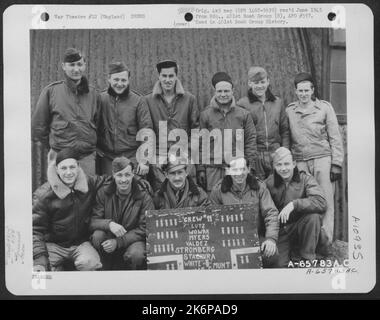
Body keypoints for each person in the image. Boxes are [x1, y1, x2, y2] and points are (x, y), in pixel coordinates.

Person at [286, 72, 344, 254]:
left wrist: (336, 164)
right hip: (301, 162)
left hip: (322, 160)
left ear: (312, 90)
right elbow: (287, 136)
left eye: (306, 90)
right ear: (295, 92)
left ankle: (325, 243)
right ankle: (308, 241)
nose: (303, 94)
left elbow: (335, 137)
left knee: (325, 200)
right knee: (306, 201)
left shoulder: (324, 108)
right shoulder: (290, 110)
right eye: (300, 90)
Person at [33, 148, 105, 271]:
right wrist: (39, 258)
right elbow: (34, 230)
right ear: (56, 169)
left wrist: (138, 183)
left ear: (78, 167)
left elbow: (111, 181)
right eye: (63, 168)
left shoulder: (89, 183)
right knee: (43, 271)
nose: (68, 172)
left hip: (80, 243)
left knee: (91, 263)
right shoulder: (44, 194)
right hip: (53, 245)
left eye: (72, 167)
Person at [31, 47, 100, 175]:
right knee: (61, 194)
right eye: (71, 65)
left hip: (87, 158)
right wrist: (55, 145)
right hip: (60, 157)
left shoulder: (93, 94)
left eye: (79, 64)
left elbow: (99, 124)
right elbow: (38, 127)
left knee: (87, 192)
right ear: (64, 66)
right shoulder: (51, 92)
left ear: (84, 65)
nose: (76, 69)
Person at [209, 157, 279, 268]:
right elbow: (212, 220)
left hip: (254, 237)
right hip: (228, 240)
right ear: (228, 171)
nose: (239, 173)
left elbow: (271, 212)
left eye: (242, 169)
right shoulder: (218, 190)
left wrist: (271, 239)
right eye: (235, 170)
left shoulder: (259, 187)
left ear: (248, 169)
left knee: (272, 255)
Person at [265, 147, 327, 267]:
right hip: (282, 231)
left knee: (313, 217)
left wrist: (295, 204)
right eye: (279, 165)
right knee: (278, 264)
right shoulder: (268, 183)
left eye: (287, 164)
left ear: (294, 164)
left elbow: (321, 202)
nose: (283, 168)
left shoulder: (305, 178)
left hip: (303, 227)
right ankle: (293, 252)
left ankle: (307, 258)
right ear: (274, 166)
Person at [144, 60, 199, 191]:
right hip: (159, 161)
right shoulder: (148, 100)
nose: (167, 80)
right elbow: (147, 131)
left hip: (184, 158)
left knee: (187, 198)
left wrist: (188, 154)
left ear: (176, 76)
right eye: (164, 76)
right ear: (159, 76)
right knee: (162, 198)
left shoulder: (189, 99)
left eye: (171, 76)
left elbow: (196, 130)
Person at [90, 157, 154, 270]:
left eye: (127, 175)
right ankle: (104, 270)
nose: (123, 180)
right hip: (109, 238)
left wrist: (118, 242)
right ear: (113, 175)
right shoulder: (103, 193)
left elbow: (145, 228)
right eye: (119, 175)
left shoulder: (144, 196)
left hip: (133, 240)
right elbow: (92, 221)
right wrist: (109, 224)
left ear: (133, 174)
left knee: (136, 254)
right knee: (97, 236)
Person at [198, 72, 257, 193]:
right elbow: (200, 144)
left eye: (226, 91)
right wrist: (201, 169)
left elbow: (250, 141)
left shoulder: (243, 114)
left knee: (237, 200)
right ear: (214, 92)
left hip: (237, 168)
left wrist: (249, 166)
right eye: (219, 91)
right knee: (215, 204)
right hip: (213, 169)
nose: (223, 94)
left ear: (232, 91)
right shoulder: (206, 115)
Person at [97, 61, 153, 176]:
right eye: (116, 80)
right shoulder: (100, 99)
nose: (120, 84)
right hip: (108, 159)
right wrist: (95, 148)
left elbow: (147, 132)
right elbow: (90, 126)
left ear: (128, 80)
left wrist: (144, 161)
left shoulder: (138, 101)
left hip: (132, 157)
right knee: (107, 190)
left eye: (123, 80)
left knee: (134, 191)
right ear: (109, 79)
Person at [237, 66, 289, 179]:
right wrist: (247, 157)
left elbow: (284, 130)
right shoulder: (242, 104)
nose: (260, 86)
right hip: (256, 154)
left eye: (262, 82)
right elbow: (240, 134)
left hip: (275, 153)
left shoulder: (278, 102)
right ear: (250, 83)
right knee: (258, 187)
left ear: (268, 81)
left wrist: (284, 151)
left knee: (278, 185)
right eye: (256, 83)